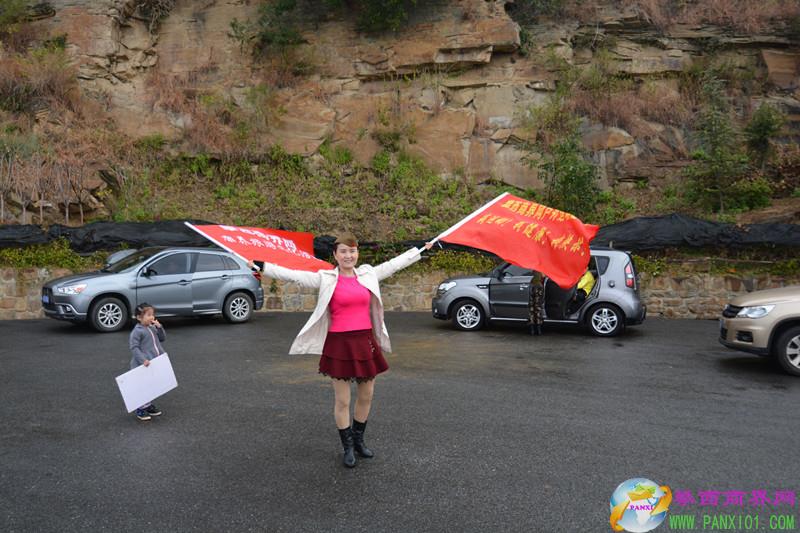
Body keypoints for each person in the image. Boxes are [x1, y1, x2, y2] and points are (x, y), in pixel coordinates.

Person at [249, 233, 433, 468]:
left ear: (357, 253)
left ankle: (358, 440)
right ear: (335, 255)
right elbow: (294, 275)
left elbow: (393, 265)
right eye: (343, 251)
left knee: (366, 395)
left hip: (365, 341)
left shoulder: (368, 274)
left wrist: (419, 250)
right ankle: (347, 447)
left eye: (352, 251)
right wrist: (262, 266)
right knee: (343, 400)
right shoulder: (326, 278)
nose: (348, 255)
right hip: (339, 343)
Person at [129, 303, 166, 422]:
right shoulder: (137, 331)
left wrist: (159, 327)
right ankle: (140, 408)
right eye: (148, 315)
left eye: (152, 315)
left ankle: (148, 405)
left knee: (151, 385)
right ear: (139, 318)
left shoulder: (152, 328)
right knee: (142, 387)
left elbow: (162, 338)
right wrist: (143, 360)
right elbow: (134, 347)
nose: (152, 317)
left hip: (154, 362)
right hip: (143, 364)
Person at [528, 271, 544, 336]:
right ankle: (539, 330)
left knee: (531, 308)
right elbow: (543, 276)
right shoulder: (541, 269)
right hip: (539, 286)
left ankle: (532, 330)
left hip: (532, 286)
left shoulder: (532, 270)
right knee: (538, 308)